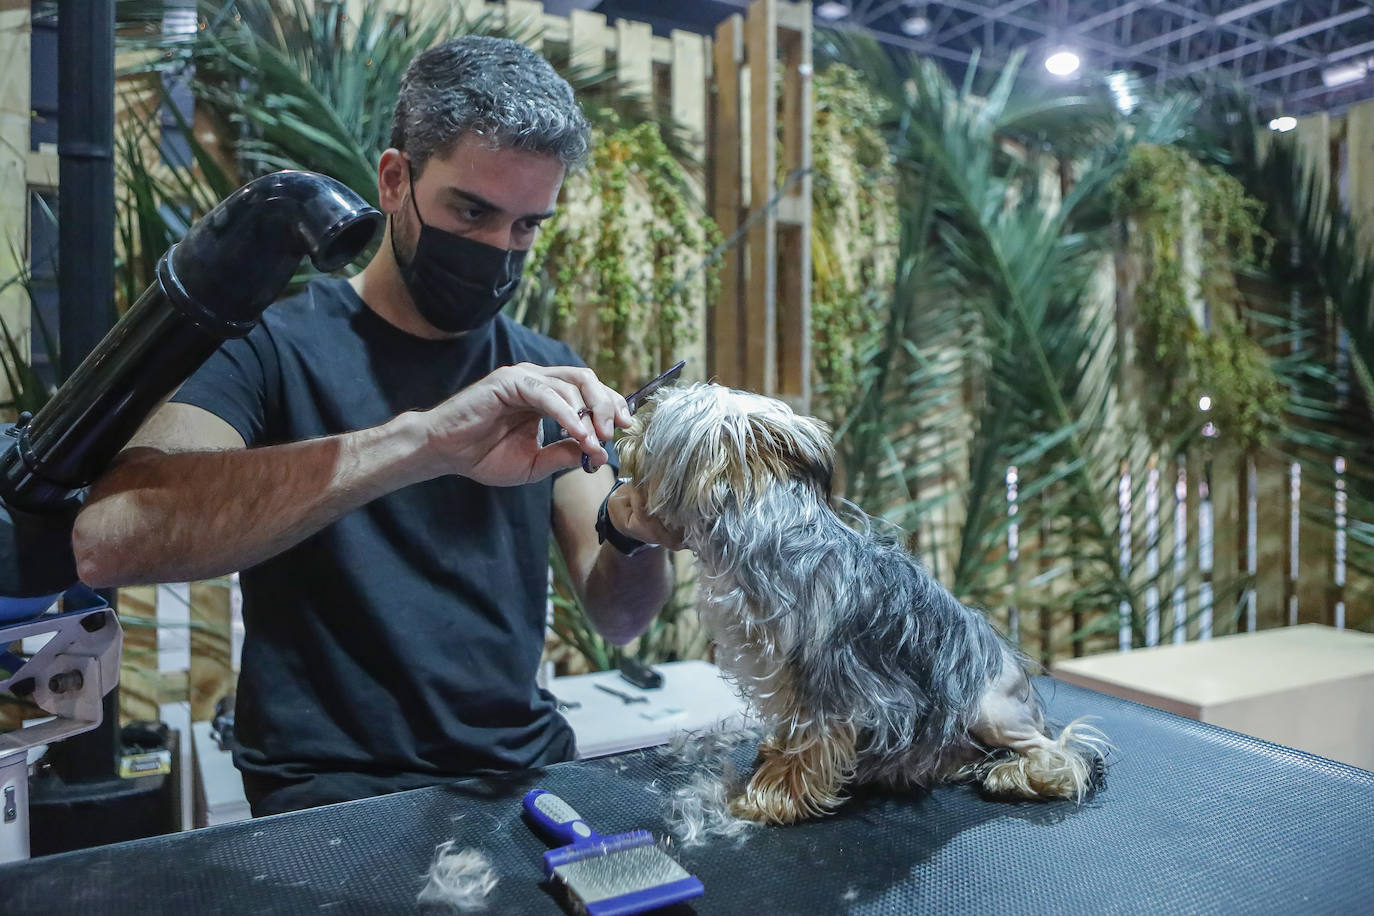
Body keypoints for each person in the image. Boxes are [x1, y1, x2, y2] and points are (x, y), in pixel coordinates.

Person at [72, 36, 682, 817]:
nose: (498, 251)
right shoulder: (270, 348)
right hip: (333, 796)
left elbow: (620, 619)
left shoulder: (547, 372)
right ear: (395, 180)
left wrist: (634, 530)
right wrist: (420, 444)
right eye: (472, 211)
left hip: (522, 773)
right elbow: (111, 538)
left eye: (528, 226)